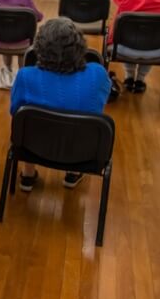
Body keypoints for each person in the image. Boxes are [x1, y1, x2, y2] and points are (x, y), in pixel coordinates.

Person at [10, 18, 111, 191]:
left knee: (28, 122)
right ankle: (73, 173)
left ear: (39, 48)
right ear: (80, 47)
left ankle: (27, 175)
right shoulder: (98, 74)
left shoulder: (25, 76)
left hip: (34, 146)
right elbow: (100, 102)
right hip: (84, 150)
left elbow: (15, 112)